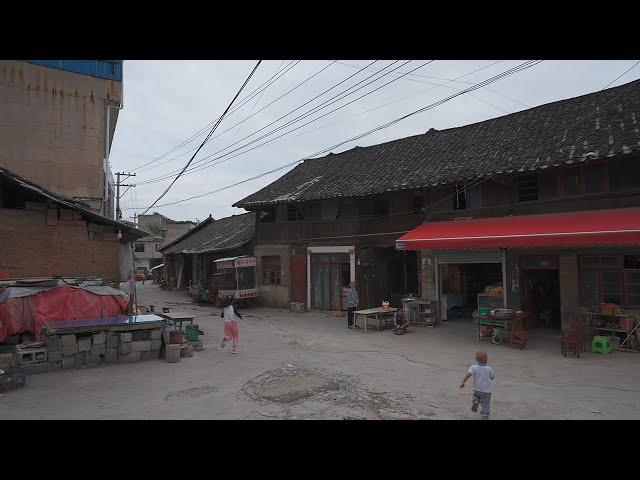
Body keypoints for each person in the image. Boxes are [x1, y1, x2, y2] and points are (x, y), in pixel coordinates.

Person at [459, 351, 495, 420]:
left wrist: (463, 382)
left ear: (476, 359)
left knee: (476, 396)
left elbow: (468, 375)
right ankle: (485, 415)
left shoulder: (473, 367)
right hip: (486, 391)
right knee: (485, 404)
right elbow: (492, 377)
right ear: (486, 359)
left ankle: (475, 401)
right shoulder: (489, 369)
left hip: (476, 389)